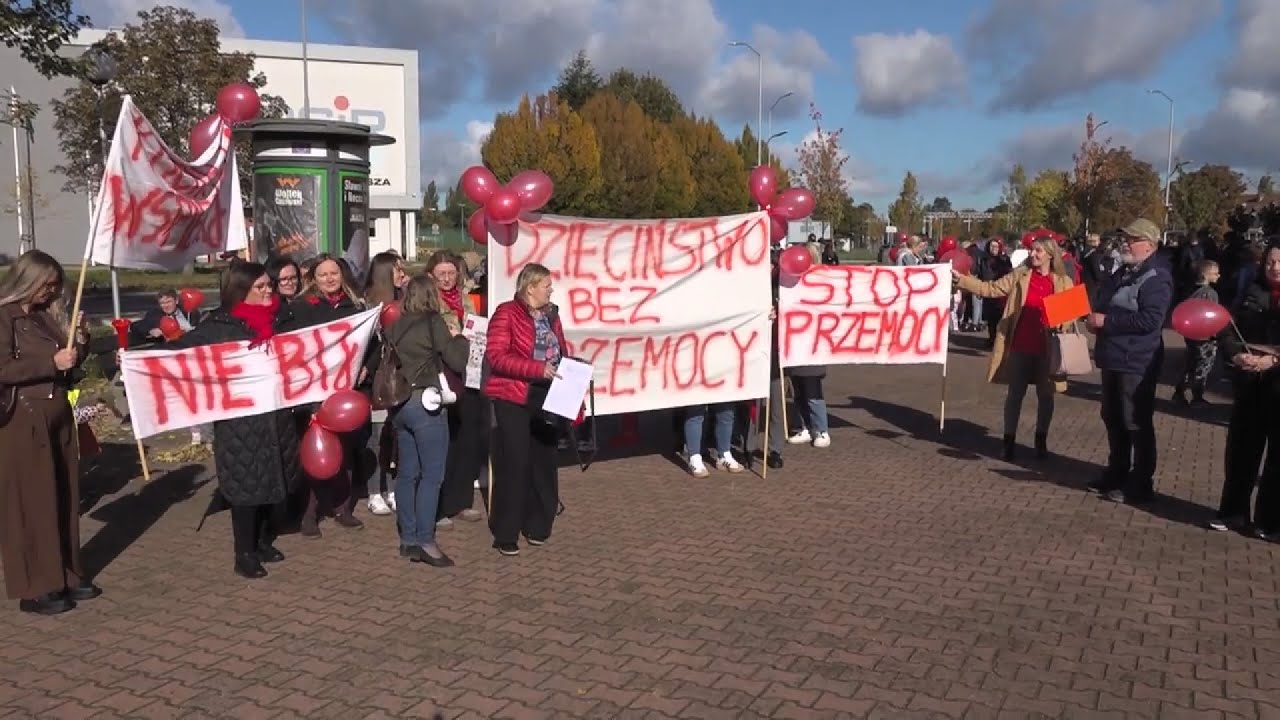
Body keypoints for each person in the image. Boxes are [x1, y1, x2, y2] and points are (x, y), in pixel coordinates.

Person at [164, 261, 299, 579]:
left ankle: (263, 541)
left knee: (273, 480)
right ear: (241, 291)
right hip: (240, 422)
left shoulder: (280, 318)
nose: (268, 291)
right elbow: (179, 353)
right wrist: (134, 356)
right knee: (246, 486)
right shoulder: (219, 327)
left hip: (275, 416)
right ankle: (244, 553)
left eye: (269, 285)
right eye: (260, 287)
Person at [0, 251, 96, 615]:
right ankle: (35, 585)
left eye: (55, 286)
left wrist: (80, 341)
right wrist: (48, 362)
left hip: (57, 414)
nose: (51, 292)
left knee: (62, 496)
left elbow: (68, 363)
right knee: (31, 502)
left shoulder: (43, 316)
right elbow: (3, 369)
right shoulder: (4, 317)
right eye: (47, 285)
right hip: (23, 418)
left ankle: (65, 572)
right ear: (28, 279)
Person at [957, 237, 1075, 461]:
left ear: (1050, 255)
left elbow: (1072, 315)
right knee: (1014, 396)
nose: (1033, 254)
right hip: (1020, 345)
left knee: (1046, 397)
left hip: (1048, 349)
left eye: (1038, 251)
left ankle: (1041, 440)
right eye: (1032, 250)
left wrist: (1061, 320)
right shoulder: (1021, 275)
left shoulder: (1063, 281)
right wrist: (963, 281)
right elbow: (992, 288)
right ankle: (1008, 441)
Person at [1087, 219, 1176, 504]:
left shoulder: (1157, 277)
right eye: (1125, 238)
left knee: (1135, 421)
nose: (1125, 243)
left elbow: (1150, 320)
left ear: (1150, 245)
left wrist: (1107, 321)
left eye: (1132, 239)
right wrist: (1094, 317)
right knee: (1113, 417)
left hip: (1137, 360)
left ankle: (1140, 482)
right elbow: (1105, 303)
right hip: (1113, 356)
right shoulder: (1122, 272)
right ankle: (1116, 473)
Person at [483, 263, 568, 556]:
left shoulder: (552, 315)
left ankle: (538, 525)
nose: (551, 290)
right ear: (530, 288)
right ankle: (506, 532)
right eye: (546, 285)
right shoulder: (506, 313)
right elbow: (496, 356)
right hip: (514, 395)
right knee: (515, 462)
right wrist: (536, 369)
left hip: (547, 394)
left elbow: (560, 349)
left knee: (544, 461)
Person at [385, 274, 469, 566]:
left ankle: (408, 538)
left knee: (407, 474)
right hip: (426, 402)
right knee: (432, 476)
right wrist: (459, 338)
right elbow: (457, 360)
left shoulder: (394, 326)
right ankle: (425, 540)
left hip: (400, 404)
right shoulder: (433, 322)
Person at [290, 254, 372, 535]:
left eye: (334, 273)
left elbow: (372, 345)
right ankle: (309, 514)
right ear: (313, 278)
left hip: (345, 393)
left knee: (346, 452)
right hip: (313, 391)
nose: (329, 279)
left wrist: (367, 368)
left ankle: (343, 508)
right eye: (323, 274)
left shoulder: (356, 307)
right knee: (316, 451)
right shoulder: (301, 308)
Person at [1211, 241, 1280, 538]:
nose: (1275, 267)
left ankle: (1270, 522)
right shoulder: (1249, 289)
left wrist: (1273, 360)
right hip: (1250, 383)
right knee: (1241, 452)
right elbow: (1226, 327)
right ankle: (1233, 512)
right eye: (1270, 261)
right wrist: (1235, 354)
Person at [428, 250, 489, 530]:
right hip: (443, 376)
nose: (447, 278)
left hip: (470, 374)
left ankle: (461, 500)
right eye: (441, 273)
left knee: (468, 438)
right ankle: (438, 506)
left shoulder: (467, 299)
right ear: (431, 275)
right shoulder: (428, 301)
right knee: (444, 442)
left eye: (451, 273)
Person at [360, 251, 407, 516]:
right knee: (377, 437)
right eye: (398, 270)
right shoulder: (367, 306)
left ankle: (392, 488)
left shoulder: (404, 301)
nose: (402, 274)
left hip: (400, 379)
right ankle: (374, 491)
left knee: (396, 435)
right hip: (377, 382)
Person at [787, 242, 831, 449]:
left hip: (813, 344)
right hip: (795, 344)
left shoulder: (822, 281)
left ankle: (821, 429)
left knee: (812, 390)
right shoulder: (790, 281)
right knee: (797, 389)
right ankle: (804, 427)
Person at [1174, 260, 1221, 406]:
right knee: (1203, 365)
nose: (1218, 276)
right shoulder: (1210, 293)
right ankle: (1197, 396)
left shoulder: (1190, 290)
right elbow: (1211, 314)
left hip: (1191, 334)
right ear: (1205, 275)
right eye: (1215, 273)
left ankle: (1179, 392)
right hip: (1205, 336)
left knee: (1190, 363)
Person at [129, 288, 202, 346]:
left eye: (168, 302)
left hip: (193, 345)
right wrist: (150, 330)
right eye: (162, 303)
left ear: (176, 301)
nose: (166, 306)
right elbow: (135, 325)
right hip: (171, 348)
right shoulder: (155, 314)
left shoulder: (189, 311)